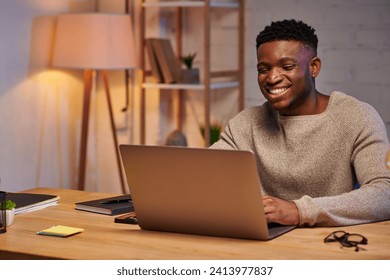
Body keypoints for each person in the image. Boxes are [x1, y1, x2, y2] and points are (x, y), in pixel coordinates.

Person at [210, 19, 390, 227]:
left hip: (327, 245)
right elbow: (205, 174)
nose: (272, 78)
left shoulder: (356, 117)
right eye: (263, 69)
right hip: (262, 243)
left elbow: (385, 192)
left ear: (313, 67)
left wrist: (299, 210)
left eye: (286, 66)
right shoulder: (246, 123)